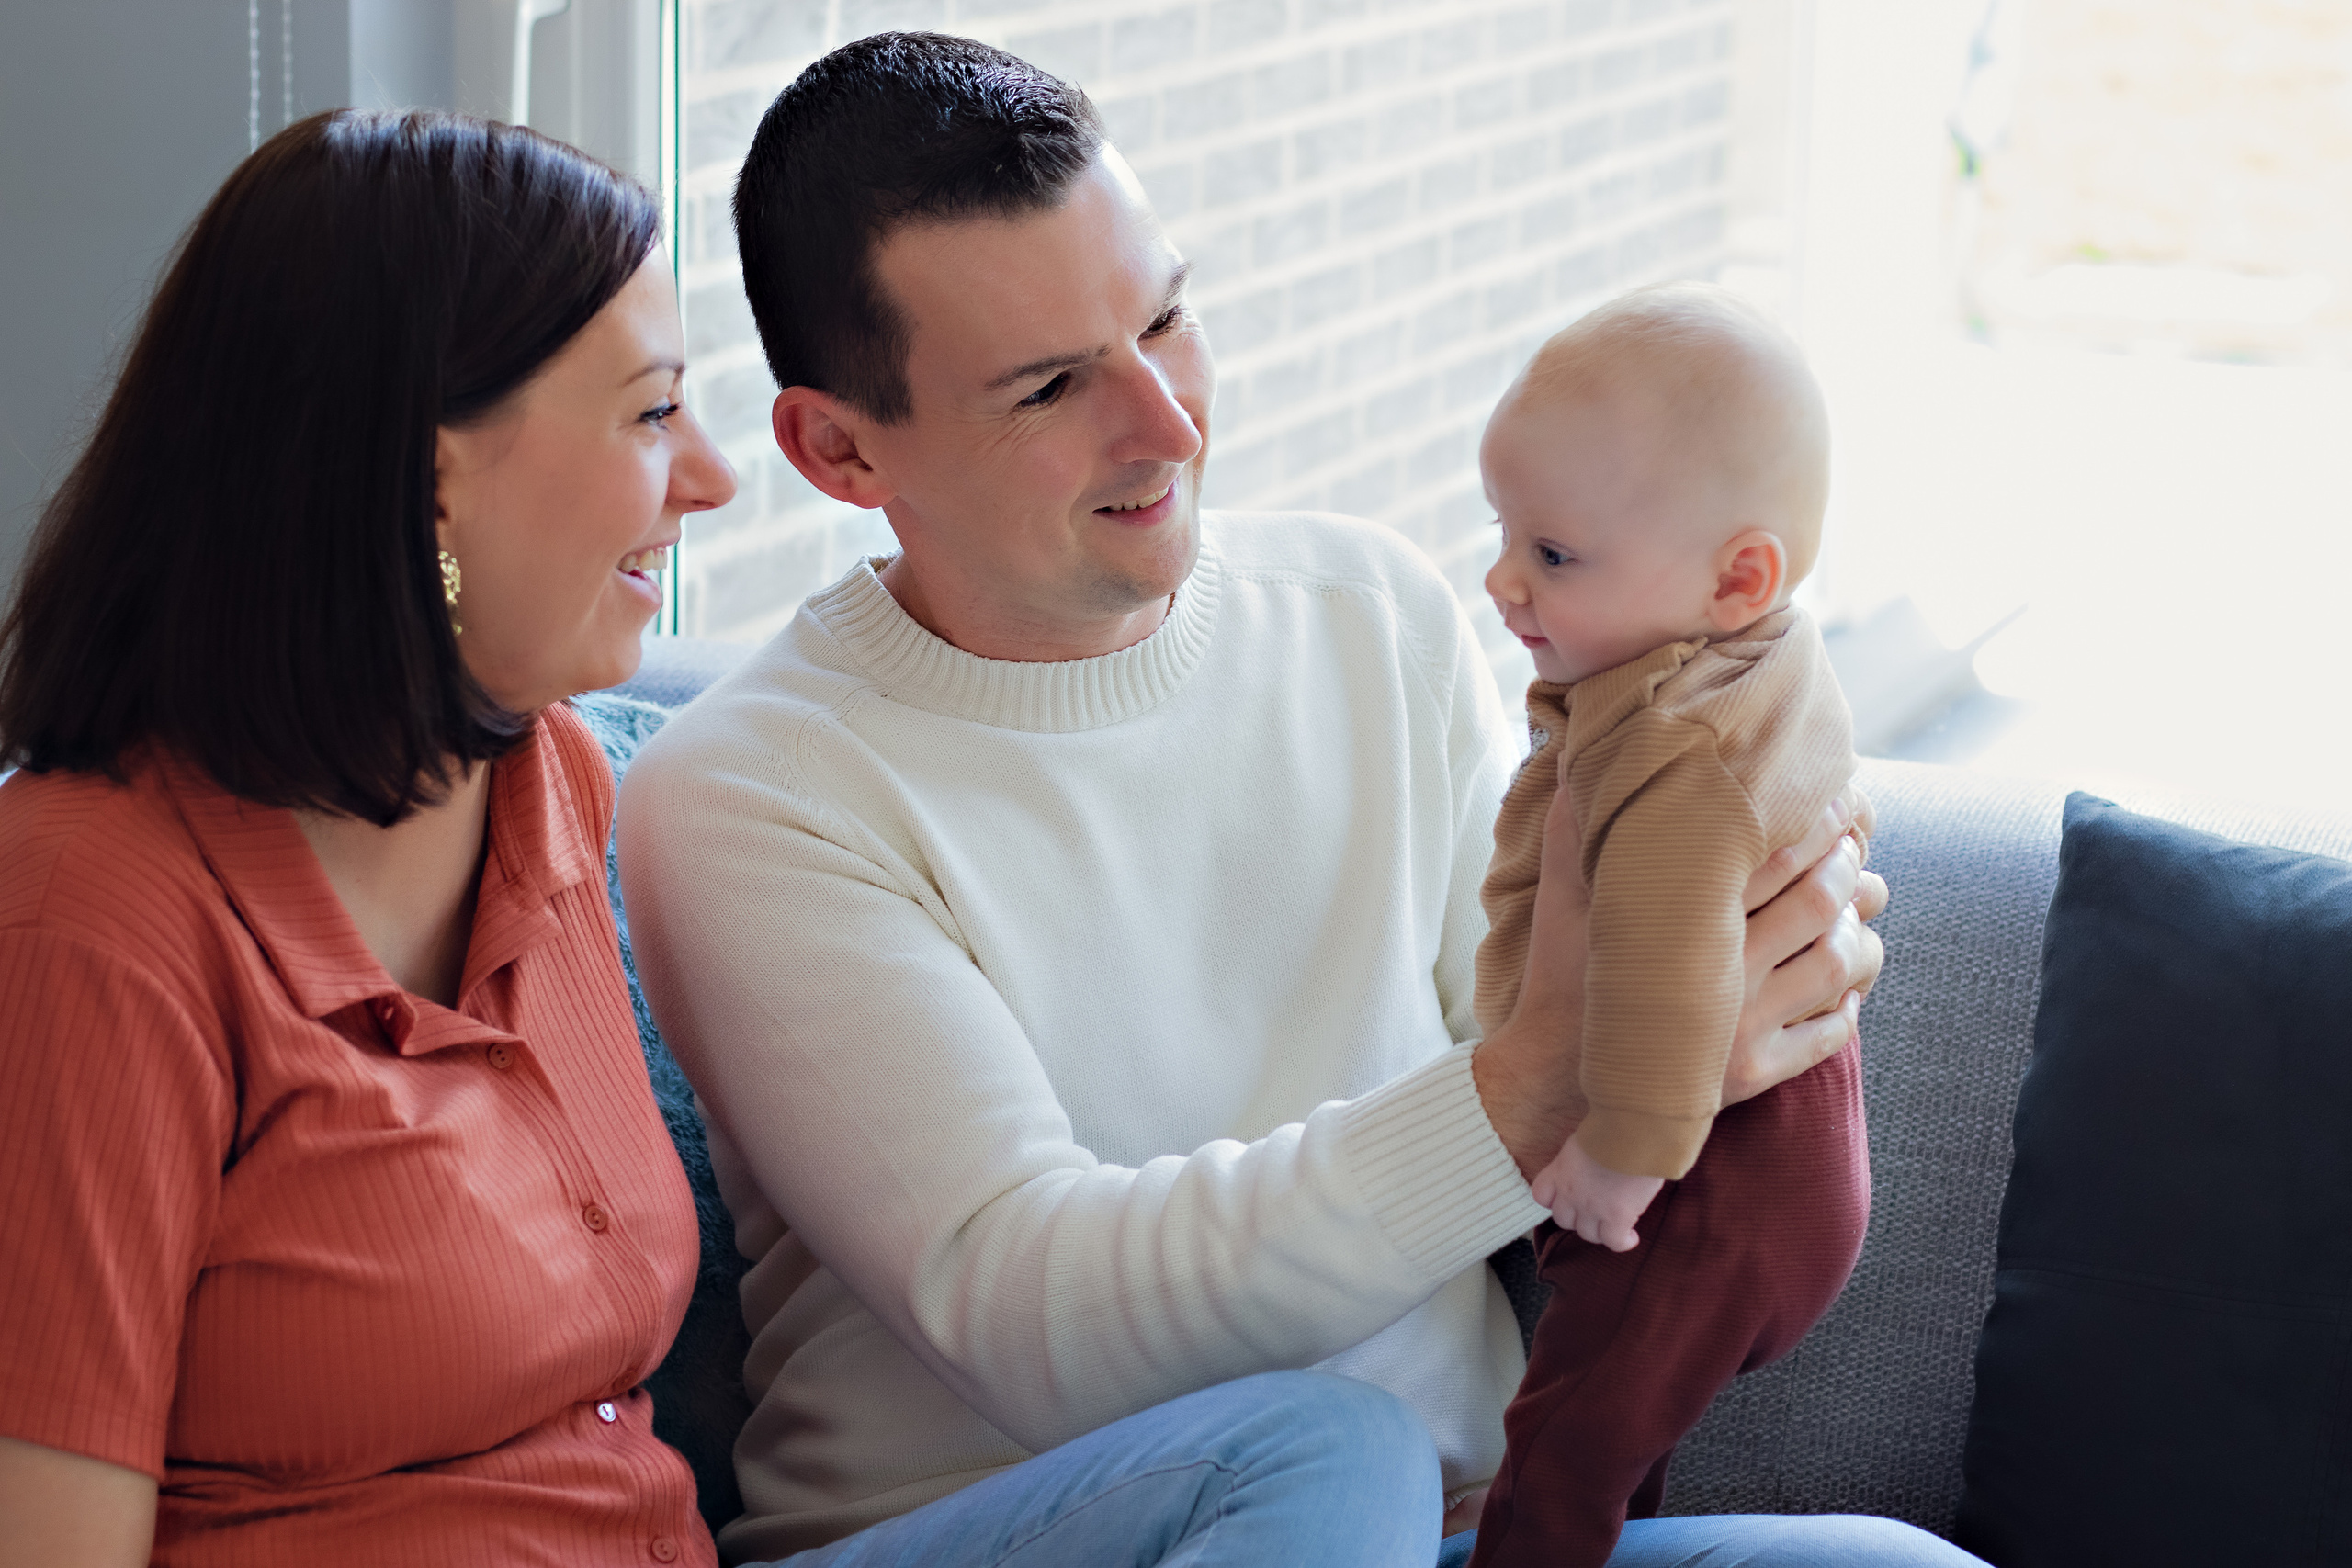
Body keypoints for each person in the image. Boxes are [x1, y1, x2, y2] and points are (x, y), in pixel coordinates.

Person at [0, 108, 1446, 1568]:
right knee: (1326, 1451)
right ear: (429, 480)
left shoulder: (550, 784)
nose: (712, 475)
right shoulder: (88, 918)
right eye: (646, 413)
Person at [618, 32, 1965, 1568]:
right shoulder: (747, 795)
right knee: (1328, 1449)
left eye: (1167, 317)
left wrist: (1753, 963)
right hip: (1014, 1531)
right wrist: (1552, 1070)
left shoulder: (1369, 613)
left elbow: (1576, 1040)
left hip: (1443, 1531)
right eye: (1056, 385)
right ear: (838, 448)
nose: (1169, 424)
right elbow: (1035, 1315)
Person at [1468, 285, 1875, 1568]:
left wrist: (1621, 1161)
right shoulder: (1752, 663)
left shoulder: (1669, 748)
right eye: (1504, 533)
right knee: (1616, 1434)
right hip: (1782, 1176)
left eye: (1556, 555)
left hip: (1700, 1185)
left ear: (1735, 576)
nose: (1502, 578)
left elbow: (1664, 967)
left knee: (1565, 1457)